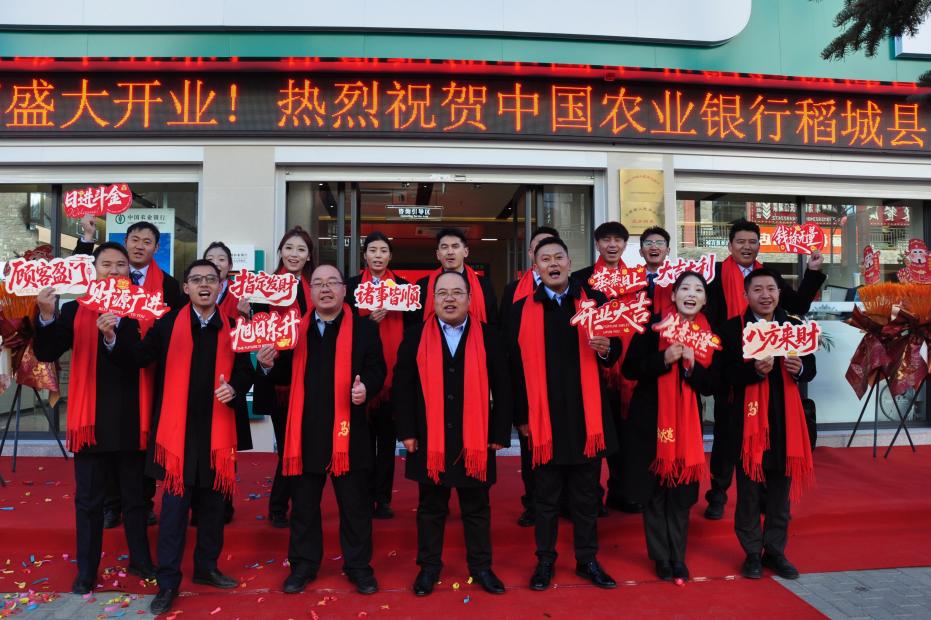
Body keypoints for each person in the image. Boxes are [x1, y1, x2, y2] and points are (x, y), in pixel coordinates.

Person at [118, 260, 255, 616]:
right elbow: (140, 357)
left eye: (211, 279)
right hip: (178, 436)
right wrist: (114, 332)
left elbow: (246, 371)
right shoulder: (167, 324)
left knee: (213, 508)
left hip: (216, 432)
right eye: (197, 280)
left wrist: (235, 388)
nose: (204, 285)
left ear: (220, 286)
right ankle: (167, 581)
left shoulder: (233, 326)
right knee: (174, 512)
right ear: (186, 287)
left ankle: (207, 567)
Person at [255, 265, 386, 596]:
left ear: (344, 290)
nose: (325, 289)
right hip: (306, 430)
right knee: (303, 506)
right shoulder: (293, 330)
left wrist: (366, 388)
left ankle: (359, 567)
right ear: (310, 291)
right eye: (318, 284)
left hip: (349, 431)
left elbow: (378, 368)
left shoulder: (364, 329)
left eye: (332, 283)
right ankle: (303, 566)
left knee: (355, 506)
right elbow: (282, 373)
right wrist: (267, 365)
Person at [33, 242, 155, 594]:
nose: (114, 271)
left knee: (135, 499)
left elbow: (143, 358)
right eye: (106, 264)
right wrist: (46, 315)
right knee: (89, 502)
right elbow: (46, 351)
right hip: (90, 422)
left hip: (131, 417)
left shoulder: (142, 308)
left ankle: (140, 560)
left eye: (120, 265)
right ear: (94, 269)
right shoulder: (74, 308)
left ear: (129, 271)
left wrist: (111, 337)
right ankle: (86, 570)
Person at [510, 237, 621, 591]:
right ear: (536, 267)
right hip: (544, 421)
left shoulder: (595, 302)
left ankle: (587, 559)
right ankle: (545, 560)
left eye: (559, 257)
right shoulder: (520, 309)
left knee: (587, 497)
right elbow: (512, 370)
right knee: (545, 498)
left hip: (587, 417)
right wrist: (520, 417)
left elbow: (615, 349)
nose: (553, 263)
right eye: (545, 259)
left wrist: (606, 349)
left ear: (570, 263)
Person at [394, 270, 514, 597]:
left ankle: (481, 567)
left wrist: (500, 431)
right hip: (428, 437)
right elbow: (402, 387)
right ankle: (428, 568)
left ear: (469, 299)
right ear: (432, 300)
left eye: (457, 292)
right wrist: (406, 431)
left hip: (475, 438)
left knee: (477, 507)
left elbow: (504, 386)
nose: (450, 298)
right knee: (431, 508)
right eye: (442, 293)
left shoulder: (489, 336)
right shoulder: (415, 336)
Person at [703, 219, 825, 520]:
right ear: (730, 245)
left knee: (769, 434)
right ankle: (718, 493)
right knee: (727, 434)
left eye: (752, 242)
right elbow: (705, 315)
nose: (747, 247)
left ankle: (765, 499)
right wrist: (726, 344)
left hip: (772, 367)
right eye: (741, 242)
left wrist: (812, 271)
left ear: (759, 245)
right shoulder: (714, 275)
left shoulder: (768, 277)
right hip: (733, 360)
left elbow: (798, 305)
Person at [76, 216, 183, 529]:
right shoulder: (102, 279)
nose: (140, 246)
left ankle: (142, 502)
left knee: (144, 442)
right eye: (134, 240)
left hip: (149, 372)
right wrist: (87, 238)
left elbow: (174, 327)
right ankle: (112, 504)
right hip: (104, 372)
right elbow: (76, 273)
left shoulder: (169, 285)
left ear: (156, 248)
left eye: (147, 242)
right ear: (125, 243)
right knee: (108, 441)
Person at [622, 271, 721, 583]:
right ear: (674, 295)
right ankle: (661, 557)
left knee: (680, 492)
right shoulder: (652, 328)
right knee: (654, 492)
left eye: (698, 290)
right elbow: (630, 369)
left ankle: (678, 557)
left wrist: (691, 367)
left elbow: (712, 385)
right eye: (685, 288)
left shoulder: (709, 337)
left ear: (704, 300)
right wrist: (663, 358)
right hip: (650, 421)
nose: (691, 294)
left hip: (687, 426)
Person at [720, 268, 815, 581]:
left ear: (779, 293)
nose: (765, 295)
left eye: (771, 289)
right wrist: (753, 372)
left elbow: (810, 368)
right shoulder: (732, 329)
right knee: (748, 492)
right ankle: (751, 552)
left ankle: (775, 551)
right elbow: (723, 377)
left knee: (780, 492)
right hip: (747, 422)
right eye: (757, 289)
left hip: (785, 420)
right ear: (746, 295)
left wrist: (800, 369)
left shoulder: (794, 327)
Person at [346, 232, 416, 520]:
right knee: (361, 444)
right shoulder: (351, 287)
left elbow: (413, 330)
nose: (378, 255)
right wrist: (367, 320)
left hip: (392, 378)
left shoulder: (404, 288)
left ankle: (383, 499)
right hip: (361, 377)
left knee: (387, 445)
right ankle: (362, 497)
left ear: (390, 256)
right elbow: (343, 324)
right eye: (372, 250)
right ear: (364, 255)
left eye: (383, 251)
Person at [252, 226, 316, 529]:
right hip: (279, 381)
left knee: (305, 445)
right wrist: (246, 312)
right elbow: (254, 329)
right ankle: (278, 506)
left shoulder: (314, 288)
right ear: (281, 252)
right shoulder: (264, 288)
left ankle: (294, 504)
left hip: (310, 380)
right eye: (289, 248)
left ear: (308, 257)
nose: (294, 254)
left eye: (301, 249)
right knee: (289, 445)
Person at [498, 225, 559, 528]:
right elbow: (506, 339)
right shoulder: (513, 291)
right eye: (539, 248)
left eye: (552, 249)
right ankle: (533, 503)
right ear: (532, 255)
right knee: (529, 447)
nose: (546, 255)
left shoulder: (572, 291)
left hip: (560, 383)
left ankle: (562, 502)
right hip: (525, 380)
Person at [572, 221, 634, 516]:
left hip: (629, 370)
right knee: (593, 437)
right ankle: (591, 498)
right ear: (597, 244)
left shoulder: (636, 280)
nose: (612, 245)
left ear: (624, 245)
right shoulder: (580, 279)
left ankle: (622, 492)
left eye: (617, 240)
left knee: (626, 438)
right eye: (606, 240)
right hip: (592, 369)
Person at [202, 241, 254, 525]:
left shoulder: (241, 295)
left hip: (229, 380)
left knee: (226, 445)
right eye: (210, 258)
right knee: (199, 447)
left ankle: (224, 503)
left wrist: (245, 316)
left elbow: (250, 338)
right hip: (201, 380)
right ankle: (200, 504)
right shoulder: (197, 293)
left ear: (230, 266)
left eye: (221, 259)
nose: (216, 262)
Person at [413, 228, 497, 326]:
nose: (450, 252)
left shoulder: (484, 285)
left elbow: (493, 324)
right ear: (438, 254)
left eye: (455, 246)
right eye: (444, 247)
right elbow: (415, 324)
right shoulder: (423, 285)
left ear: (466, 252)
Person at [640, 226, 673, 316]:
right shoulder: (631, 279)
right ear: (641, 252)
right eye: (648, 243)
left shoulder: (677, 279)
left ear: (668, 251)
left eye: (660, 243)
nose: (654, 247)